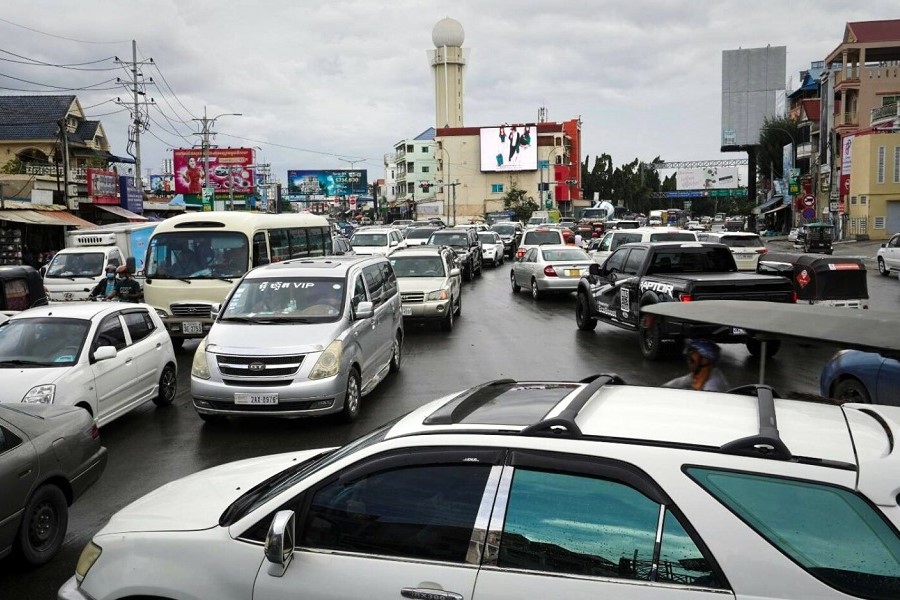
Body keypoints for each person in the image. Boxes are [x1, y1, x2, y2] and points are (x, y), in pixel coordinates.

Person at [662, 339, 730, 392]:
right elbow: (680, 382)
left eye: (692, 355)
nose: (689, 358)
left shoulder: (711, 387)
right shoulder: (707, 372)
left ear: (704, 360)